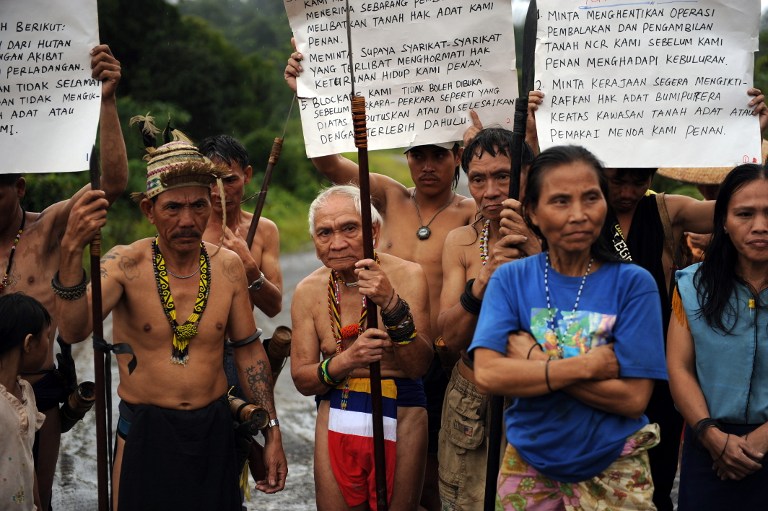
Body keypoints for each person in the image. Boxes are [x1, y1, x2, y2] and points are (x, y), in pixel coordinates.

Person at [527, 88, 768, 511]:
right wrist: (534, 138)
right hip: (590, 360)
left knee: (652, 482)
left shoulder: (665, 210)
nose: (627, 190)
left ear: (651, 177)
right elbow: (540, 193)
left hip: (654, 364)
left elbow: (737, 208)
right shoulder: (577, 214)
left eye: (639, 179)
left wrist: (753, 138)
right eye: (617, 178)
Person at [285, 44, 476, 509]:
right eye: (417, 155)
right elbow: (329, 166)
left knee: (430, 487)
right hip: (365, 361)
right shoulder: (391, 198)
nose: (427, 165)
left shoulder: (473, 214)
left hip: (439, 358)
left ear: (457, 157)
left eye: (438, 154)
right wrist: (308, 95)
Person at [54, 137, 287, 510]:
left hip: (213, 426)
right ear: (149, 209)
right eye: (173, 207)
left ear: (212, 205)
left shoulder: (227, 266)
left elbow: (248, 351)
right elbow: (74, 330)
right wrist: (70, 251)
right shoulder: (125, 264)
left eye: (198, 206)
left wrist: (272, 432)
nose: (187, 220)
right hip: (146, 430)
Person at [470, 145, 668, 510]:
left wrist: (532, 359)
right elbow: (488, 373)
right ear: (532, 211)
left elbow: (633, 398)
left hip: (615, 464)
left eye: (591, 198)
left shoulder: (634, 284)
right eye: (560, 201)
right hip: (527, 463)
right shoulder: (511, 279)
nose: (579, 215)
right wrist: (587, 366)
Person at [0, 44, 128, 510]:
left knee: (36, 499)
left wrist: (107, 101)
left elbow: (110, 185)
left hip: (40, 391)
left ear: (18, 188)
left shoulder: (48, 226)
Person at [291, 185, 434, 510]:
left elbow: (418, 367)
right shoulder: (308, 291)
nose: (337, 242)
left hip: (402, 412)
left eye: (350, 228)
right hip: (336, 412)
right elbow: (302, 379)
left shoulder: (408, 276)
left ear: (374, 230)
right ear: (314, 241)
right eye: (324, 232)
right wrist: (347, 360)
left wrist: (391, 304)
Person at [437, 127, 538, 510]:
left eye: (503, 176)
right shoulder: (462, 242)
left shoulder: (559, 235)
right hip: (472, 399)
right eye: (478, 179)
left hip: (541, 394)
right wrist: (480, 284)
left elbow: (577, 322)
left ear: (528, 175)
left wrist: (534, 251)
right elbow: (446, 338)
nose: (491, 190)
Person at [667, 163, 768, 510]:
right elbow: (679, 368)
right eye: (744, 214)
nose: (760, 226)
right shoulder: (693, 285)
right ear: (723, 220)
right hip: (708, 448)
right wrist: (712, 436)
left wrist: (760, 439)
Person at [0, 293, 50, 511]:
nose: (49, 343)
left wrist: (37, 505)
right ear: (29, 342)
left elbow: (27, 461)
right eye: (47, 336)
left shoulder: (26, 392)